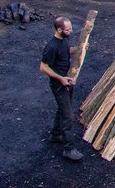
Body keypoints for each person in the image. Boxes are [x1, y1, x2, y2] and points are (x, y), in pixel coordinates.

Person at [40, 16, 83, 161]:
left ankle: (56, 134)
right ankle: (69, 149)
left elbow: (65, 50)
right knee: (68, 115)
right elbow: (43, 67)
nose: (71, 31)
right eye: (68, 29)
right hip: (59, 85)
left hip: (68, 81)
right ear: (59, 30)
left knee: (63, 109)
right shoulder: (51, 46)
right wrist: (61, 78)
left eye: (71, 28)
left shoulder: (64, 39)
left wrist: (78, 49)